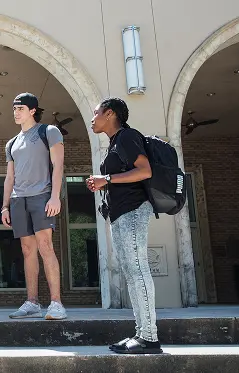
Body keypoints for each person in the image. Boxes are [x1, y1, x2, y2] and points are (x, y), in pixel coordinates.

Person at [86, 97, 162, 354]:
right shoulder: (116, 143)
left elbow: (145, 171)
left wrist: (106, 178)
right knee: (131, 273)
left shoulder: (127, 136)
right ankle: (141, 334)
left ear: (109, 114)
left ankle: (150, 338)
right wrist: (104, 182)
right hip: (120, 213)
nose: (92, 119)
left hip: (133, 210)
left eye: (95, 113)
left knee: (138, 270)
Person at [2, 92, 67, 320]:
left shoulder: (48, 131)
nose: (16, 112)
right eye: (14, 109)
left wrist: (55, 197)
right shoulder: (12, 142)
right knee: (27, 251)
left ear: (32, 110)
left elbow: (58, 166)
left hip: (42, 196)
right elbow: (9, 178)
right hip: (19, 200)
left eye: (20, 108)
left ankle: (56, 304)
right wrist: (5, 206)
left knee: (45, 246)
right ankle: (32, 302)